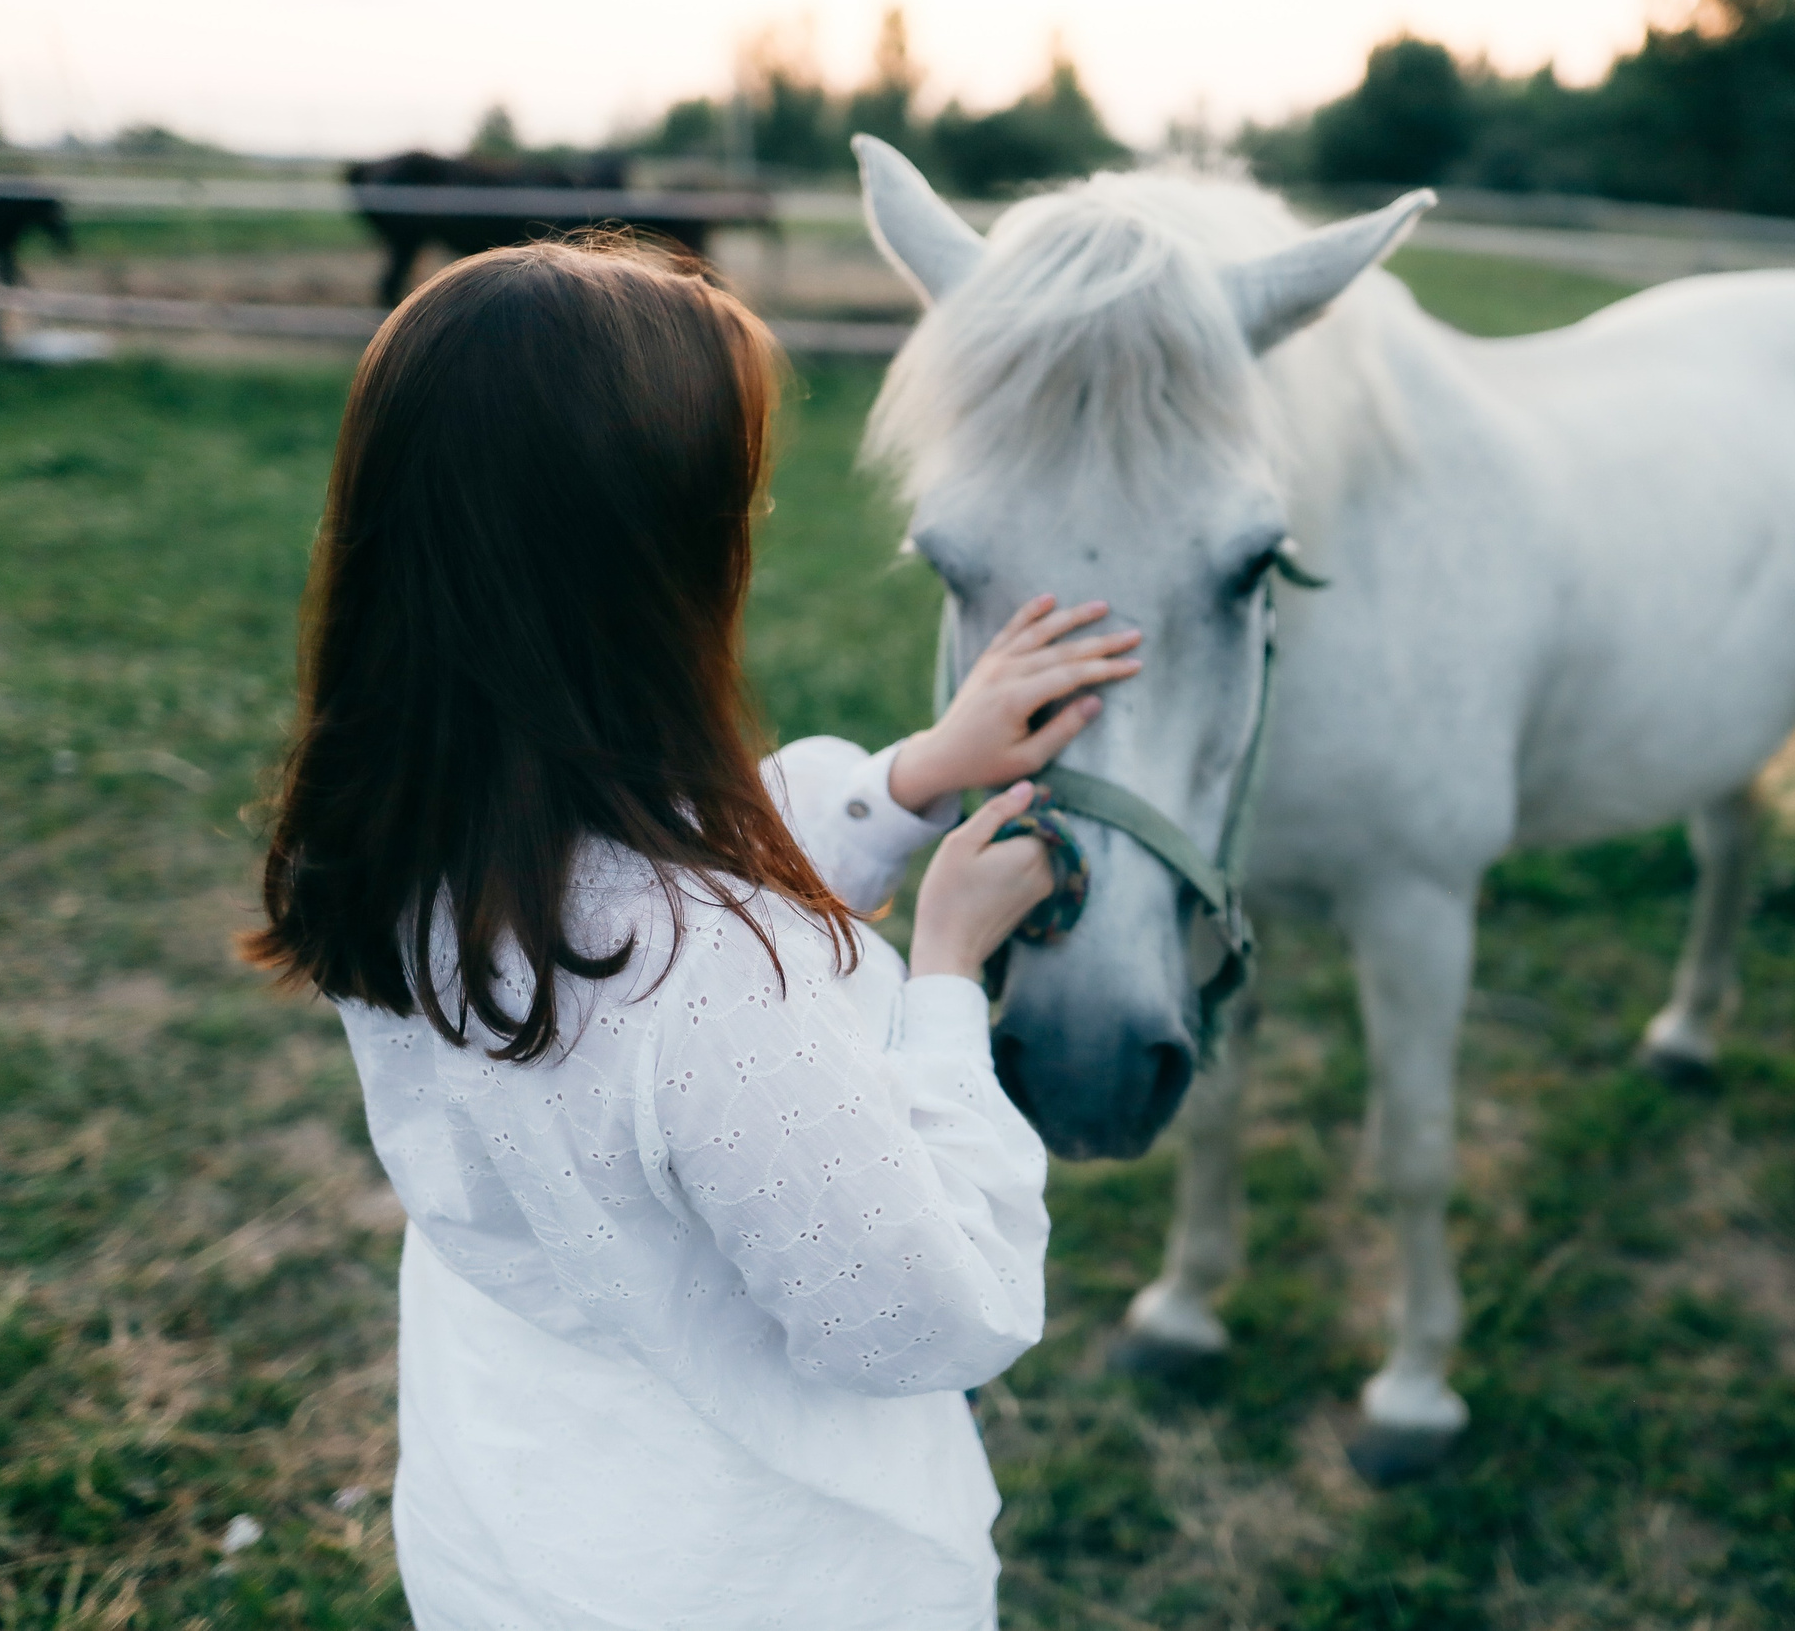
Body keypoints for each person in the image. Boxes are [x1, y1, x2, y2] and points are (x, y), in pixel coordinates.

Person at [241, 238, 1142, 1630]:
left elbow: (642, 881)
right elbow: (928, 1318)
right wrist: (950, 975)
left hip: (511, 1531)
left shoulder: (390, 835)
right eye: (732, 500)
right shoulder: (710, 968)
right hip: (761, 1577)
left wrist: (904, 781)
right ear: (645, 556)